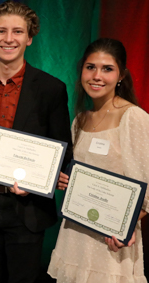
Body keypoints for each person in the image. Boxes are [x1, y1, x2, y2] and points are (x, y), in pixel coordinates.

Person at [0, 0, 73, 283]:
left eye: (18, 32)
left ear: (29, 38)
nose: (9, 39)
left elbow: (62, 147)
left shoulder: (51, 89)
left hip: (27, 209)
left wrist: (39, 182)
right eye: (1, 31)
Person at [48, 38, 149, 282]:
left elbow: (146, 185)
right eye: (90, 67)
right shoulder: (80, 120)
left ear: (121, 75)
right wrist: (67, 181)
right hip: (75, 235)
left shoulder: (133, 117)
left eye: (107, 69)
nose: (97, 76)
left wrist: (126, 226)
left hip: (111, 240)